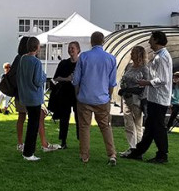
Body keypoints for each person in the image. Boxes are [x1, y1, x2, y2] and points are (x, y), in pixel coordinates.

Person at [122, 30, 173, 164]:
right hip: (154, 98)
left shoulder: (162, 57)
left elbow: (163, 79)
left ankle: (162, 155)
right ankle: (138, 152)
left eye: (151, 39)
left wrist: (147, 82)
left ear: (156, 40)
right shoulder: (160, 56)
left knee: (158, 127)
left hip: (159, 99)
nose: (149, 41)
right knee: (150, 128)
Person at [72, 31, 118, 165]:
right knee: (105, 127)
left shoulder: (84, 56)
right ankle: (112, 154)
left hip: (85, 98)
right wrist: (108, 98)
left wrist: (77, 94)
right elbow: (112, 82)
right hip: (102, 99)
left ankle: (85, 156)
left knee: (84, 127)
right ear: (103, 42)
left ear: (91, 42)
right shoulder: (111, 58)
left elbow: (76, 79)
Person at [11, 37, 57, 154]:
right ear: (37, 47)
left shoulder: (22, 59)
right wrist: (43, 76)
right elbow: (37, 81)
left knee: (32, 123)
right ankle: (29, 152)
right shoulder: (35, 61)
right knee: (33, 125)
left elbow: (19, 76)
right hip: (33, 98)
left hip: (24, 96)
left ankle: (29, 148)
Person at [47, 41, 80, 148]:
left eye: (73, 48)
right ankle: (63, 141)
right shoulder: (64, 63)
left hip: (78, 94)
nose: (70, 50)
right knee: (64, 118)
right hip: (65, 94)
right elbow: (56, 78)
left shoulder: (82, 63)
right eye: (69, 48)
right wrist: (67, 79)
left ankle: (81, 140)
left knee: (79, 118)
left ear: (78, 50)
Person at [118, 45, 150, 153]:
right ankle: (132, 147)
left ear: (139, 55)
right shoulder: (129, 66)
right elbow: (124, 79)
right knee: (128, 123)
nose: (131, 54)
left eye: (133, 53)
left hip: (137, 99)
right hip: (126, 99)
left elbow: (145, 86)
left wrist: (142, 100)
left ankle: (139, 149)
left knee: (138, 125)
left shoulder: (144, 69)